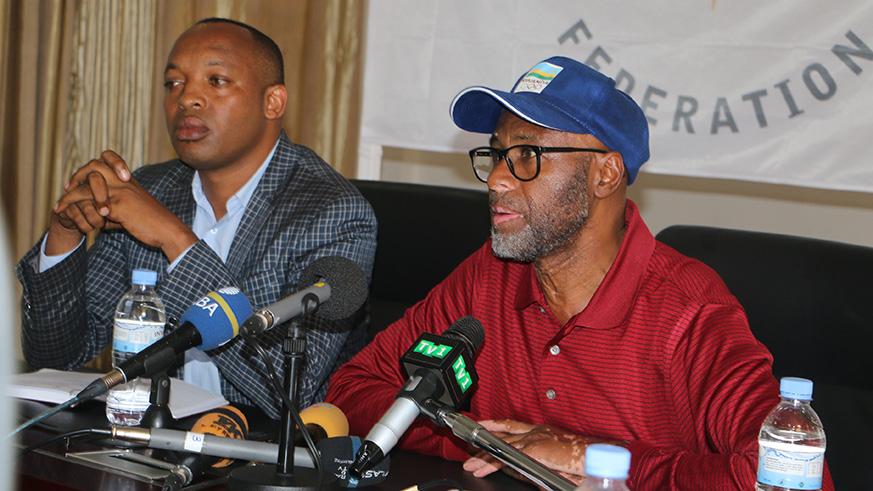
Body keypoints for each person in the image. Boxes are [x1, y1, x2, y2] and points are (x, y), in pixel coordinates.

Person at [327, 56, 834, 489]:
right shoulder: (490, 275)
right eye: (497, 153)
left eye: (527, 154)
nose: (498, 179)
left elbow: (788, 476)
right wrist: (488, 441)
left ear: (605, 173)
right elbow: (352, 388)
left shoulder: (688, 307)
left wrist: (587, 456)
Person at [16, 18, 377, 419]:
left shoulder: (333, 211)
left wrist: (174, 239)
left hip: (259, 456)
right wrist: (65, 234)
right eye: (174, 83)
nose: (187, 98)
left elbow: (288, 391)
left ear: (272, 102)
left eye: (216, 81)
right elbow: (56, 355)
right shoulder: (152, 187)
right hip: (146, 438)